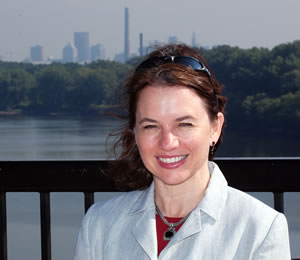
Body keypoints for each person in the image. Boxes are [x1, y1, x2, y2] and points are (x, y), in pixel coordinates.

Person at [74, 44, 291, 259]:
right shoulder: (99, 225)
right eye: (151, 126)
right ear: (135, 133)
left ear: (215, 127)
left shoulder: (260, 229)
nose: (167, 142)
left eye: (184, 124)